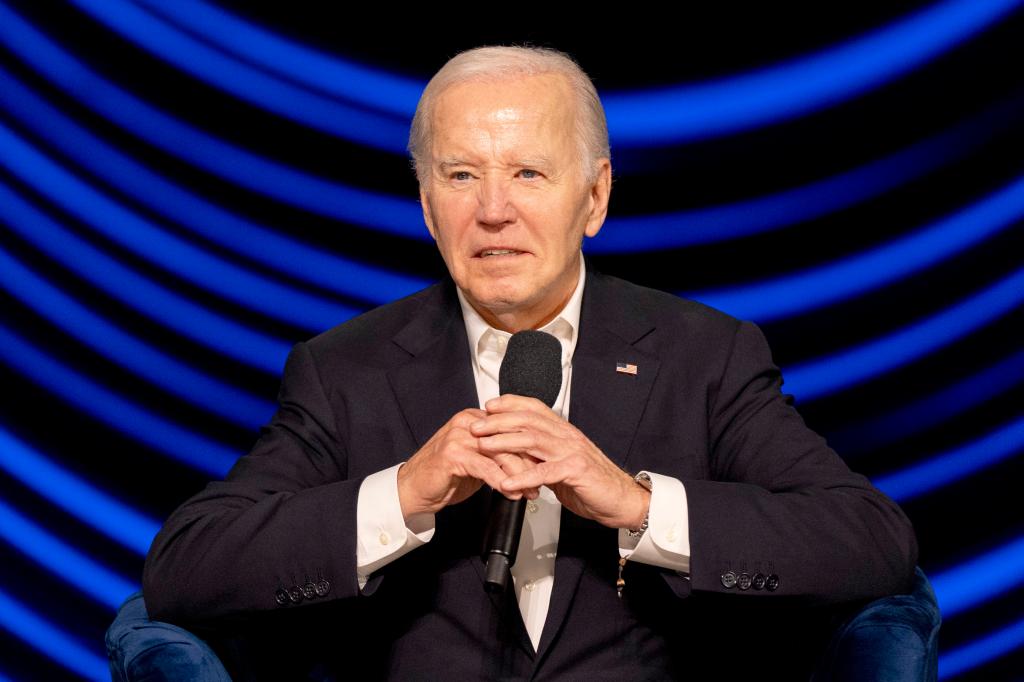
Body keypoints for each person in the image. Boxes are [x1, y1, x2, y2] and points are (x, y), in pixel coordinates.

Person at [141, 46, 918, 680]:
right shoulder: (345, 369)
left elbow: (871, 544)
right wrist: (404, 493)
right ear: (424, 204)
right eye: (460, 175)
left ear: (595, 197)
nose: (492, 210)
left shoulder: (704, 355)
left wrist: (634, 504)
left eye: (528, 173)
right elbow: (184, 569)